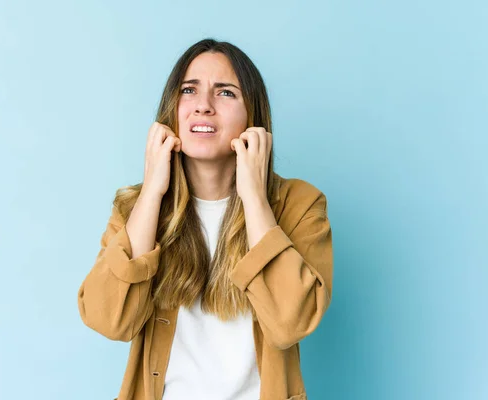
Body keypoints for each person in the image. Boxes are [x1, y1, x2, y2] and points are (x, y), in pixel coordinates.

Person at [77, 38, 333, 400]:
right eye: (189, 90)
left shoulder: (299, 205)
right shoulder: (135, 209)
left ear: (253, 117)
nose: (203, 106)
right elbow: (109, 320)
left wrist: (256, 198)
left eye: (225, 93)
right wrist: (152, 192)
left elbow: (291, 323)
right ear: (172, 109)